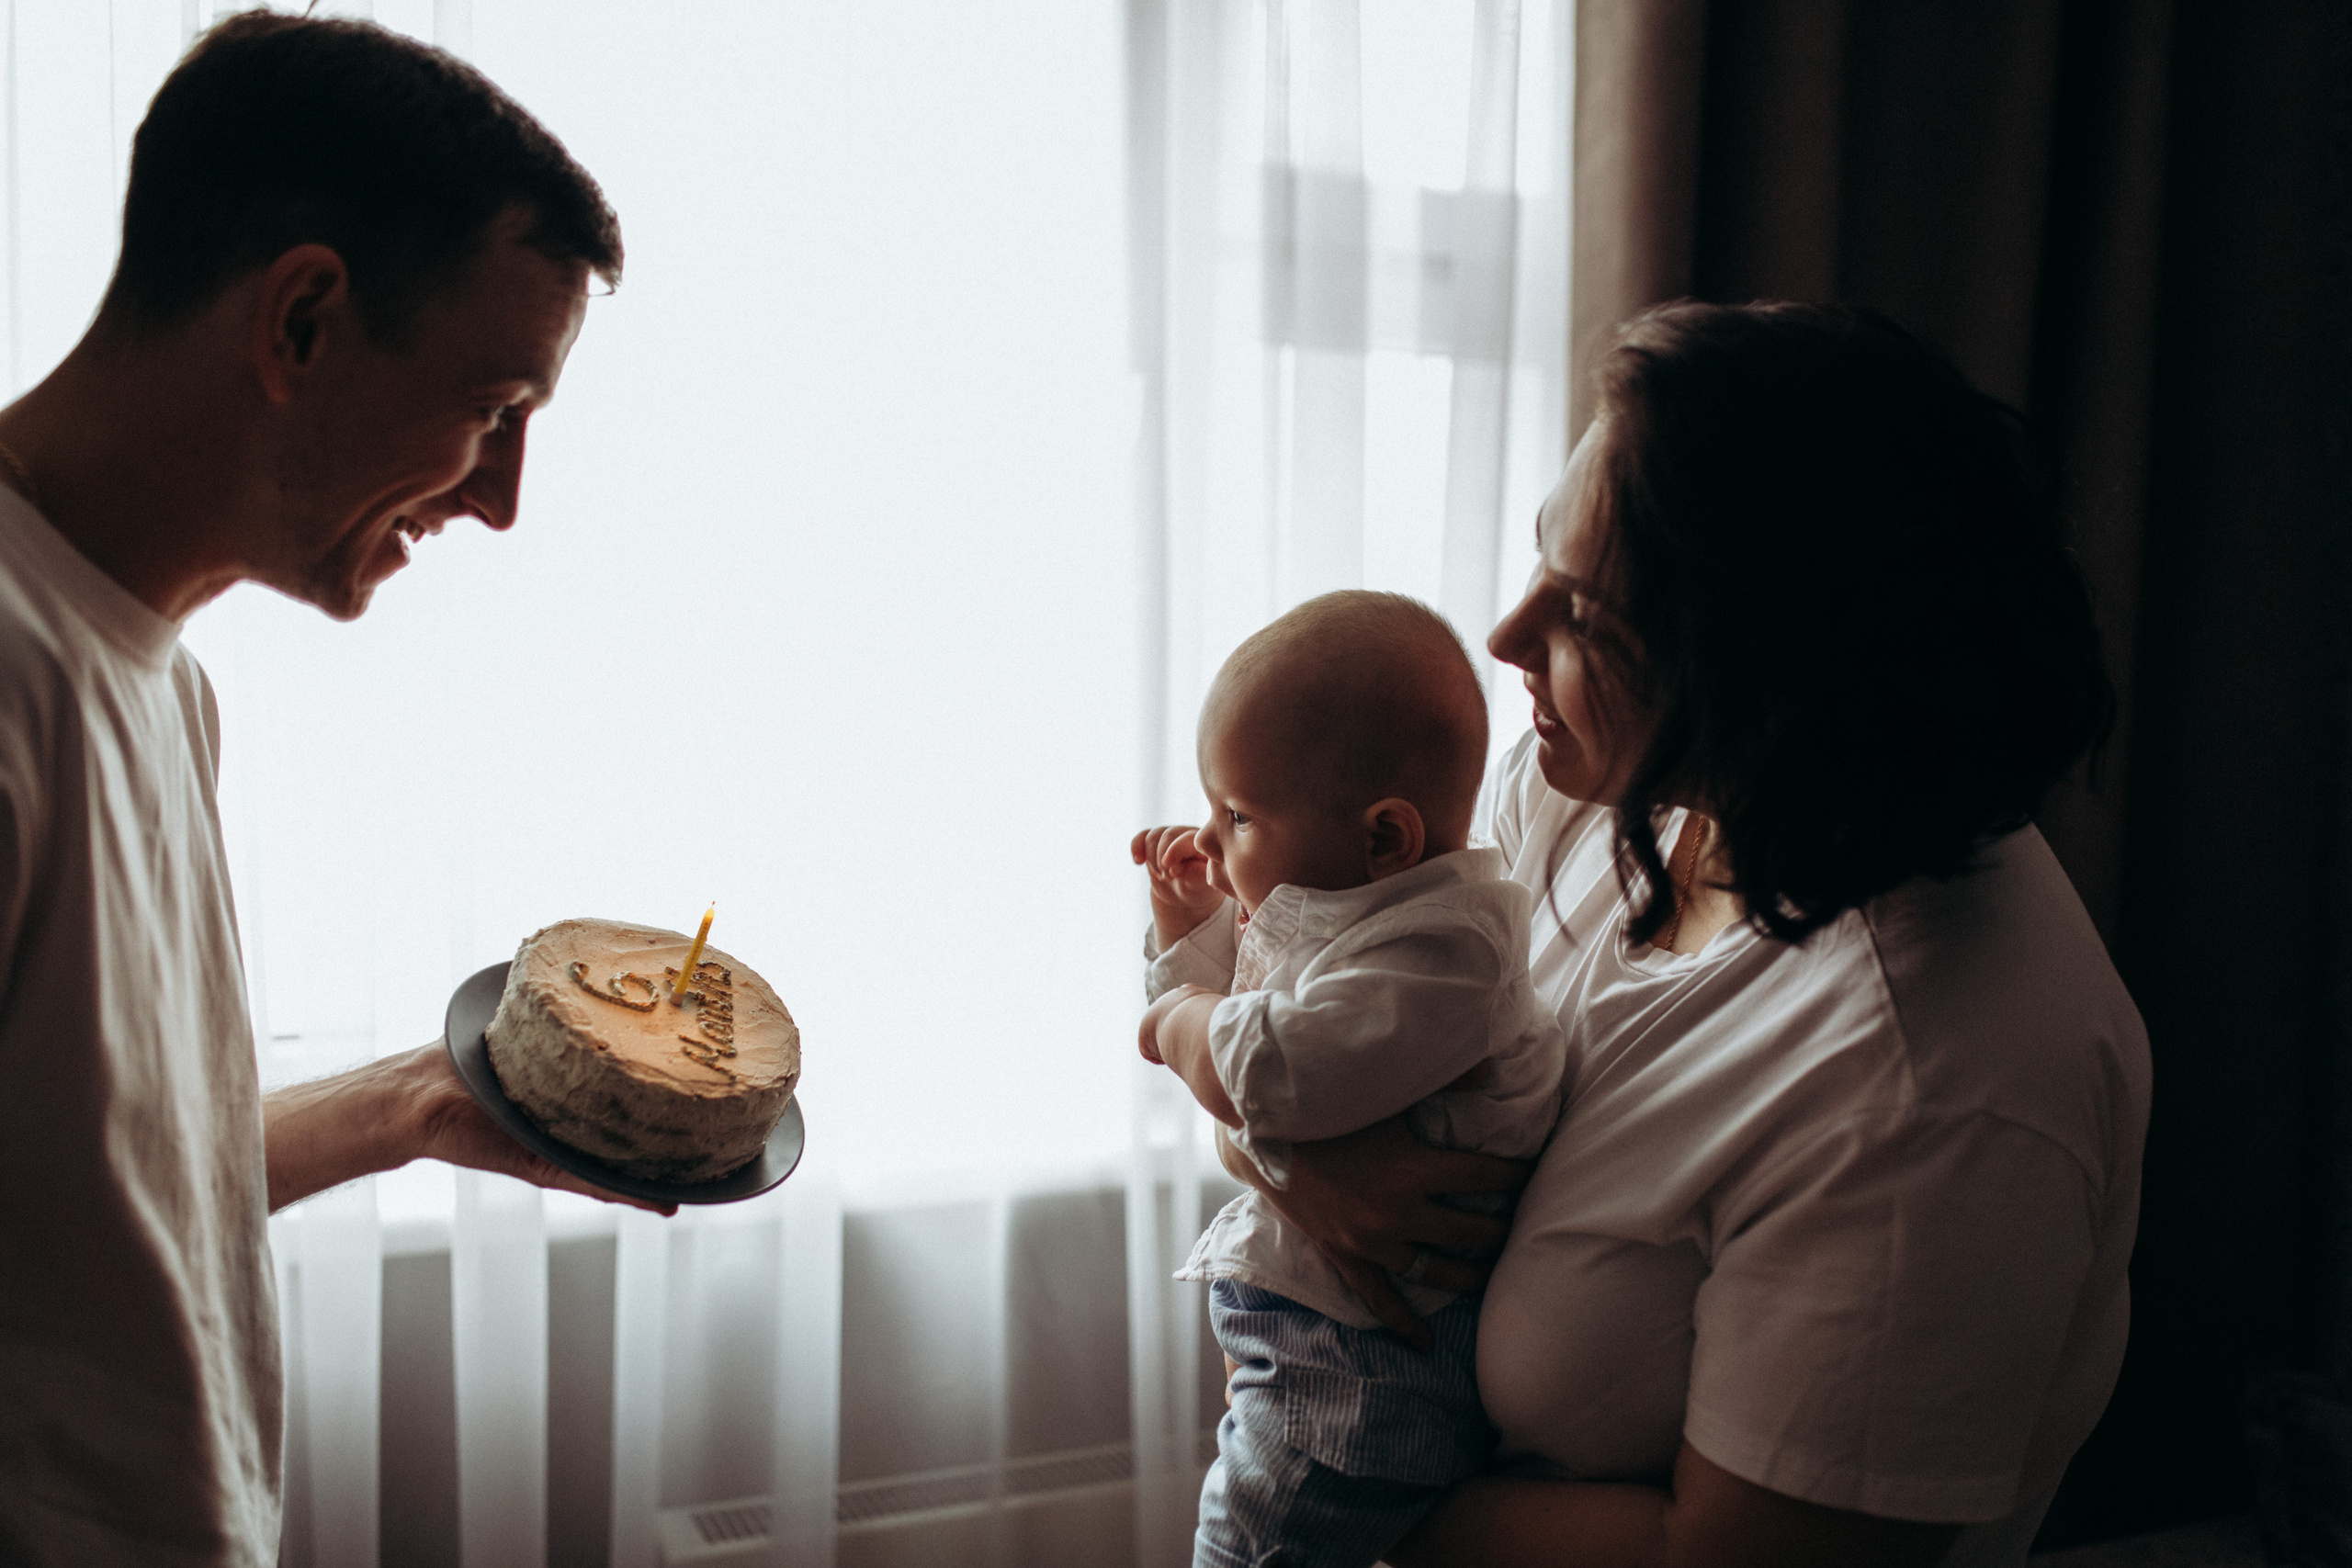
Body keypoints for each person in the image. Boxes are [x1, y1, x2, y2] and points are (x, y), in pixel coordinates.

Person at [1216, 302, 2148, 1568]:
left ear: (1773, 674)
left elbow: (1733, 1556)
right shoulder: (1598, 780)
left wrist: (1330, 1495)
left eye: (1587, 617)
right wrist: (1296, 1157)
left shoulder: (1944, 1076)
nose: (1503, 639)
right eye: (1545, 551)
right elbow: (1323, 1006)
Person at [0, 16, 650, 1564]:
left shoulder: (162, 678)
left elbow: (94, 1188)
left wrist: (415, 1102)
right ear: (300, 321)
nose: (500, 502)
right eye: (496, 410)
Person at [1132, 590, 1567, 1568]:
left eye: (1236, 815)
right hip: (1324, 1356)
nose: (1207, 839)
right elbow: (1259, 1062)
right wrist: (1190, 938)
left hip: (1362, 1376)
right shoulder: (1369, 914)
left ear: (1384, 839)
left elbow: (1271, 1072)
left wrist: (1175, 1018)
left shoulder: (1441, 950)